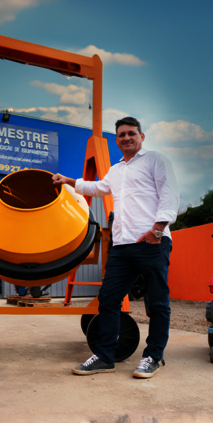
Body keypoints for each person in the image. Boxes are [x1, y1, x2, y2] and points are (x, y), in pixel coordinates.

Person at [52, 116, 179, 379]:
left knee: (156, 303)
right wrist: (68, 180)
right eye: (121, 134)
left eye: (131, 133)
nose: (126, 138)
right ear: (117, 140)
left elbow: (169, 194)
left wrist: (157, 230)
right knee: (109, 300)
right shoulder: (117, 169)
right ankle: (105, 356)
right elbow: (98, 187)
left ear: (141, 137)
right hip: (122, 246)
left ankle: (153, 357)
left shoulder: (155, 160)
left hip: (151, 242)